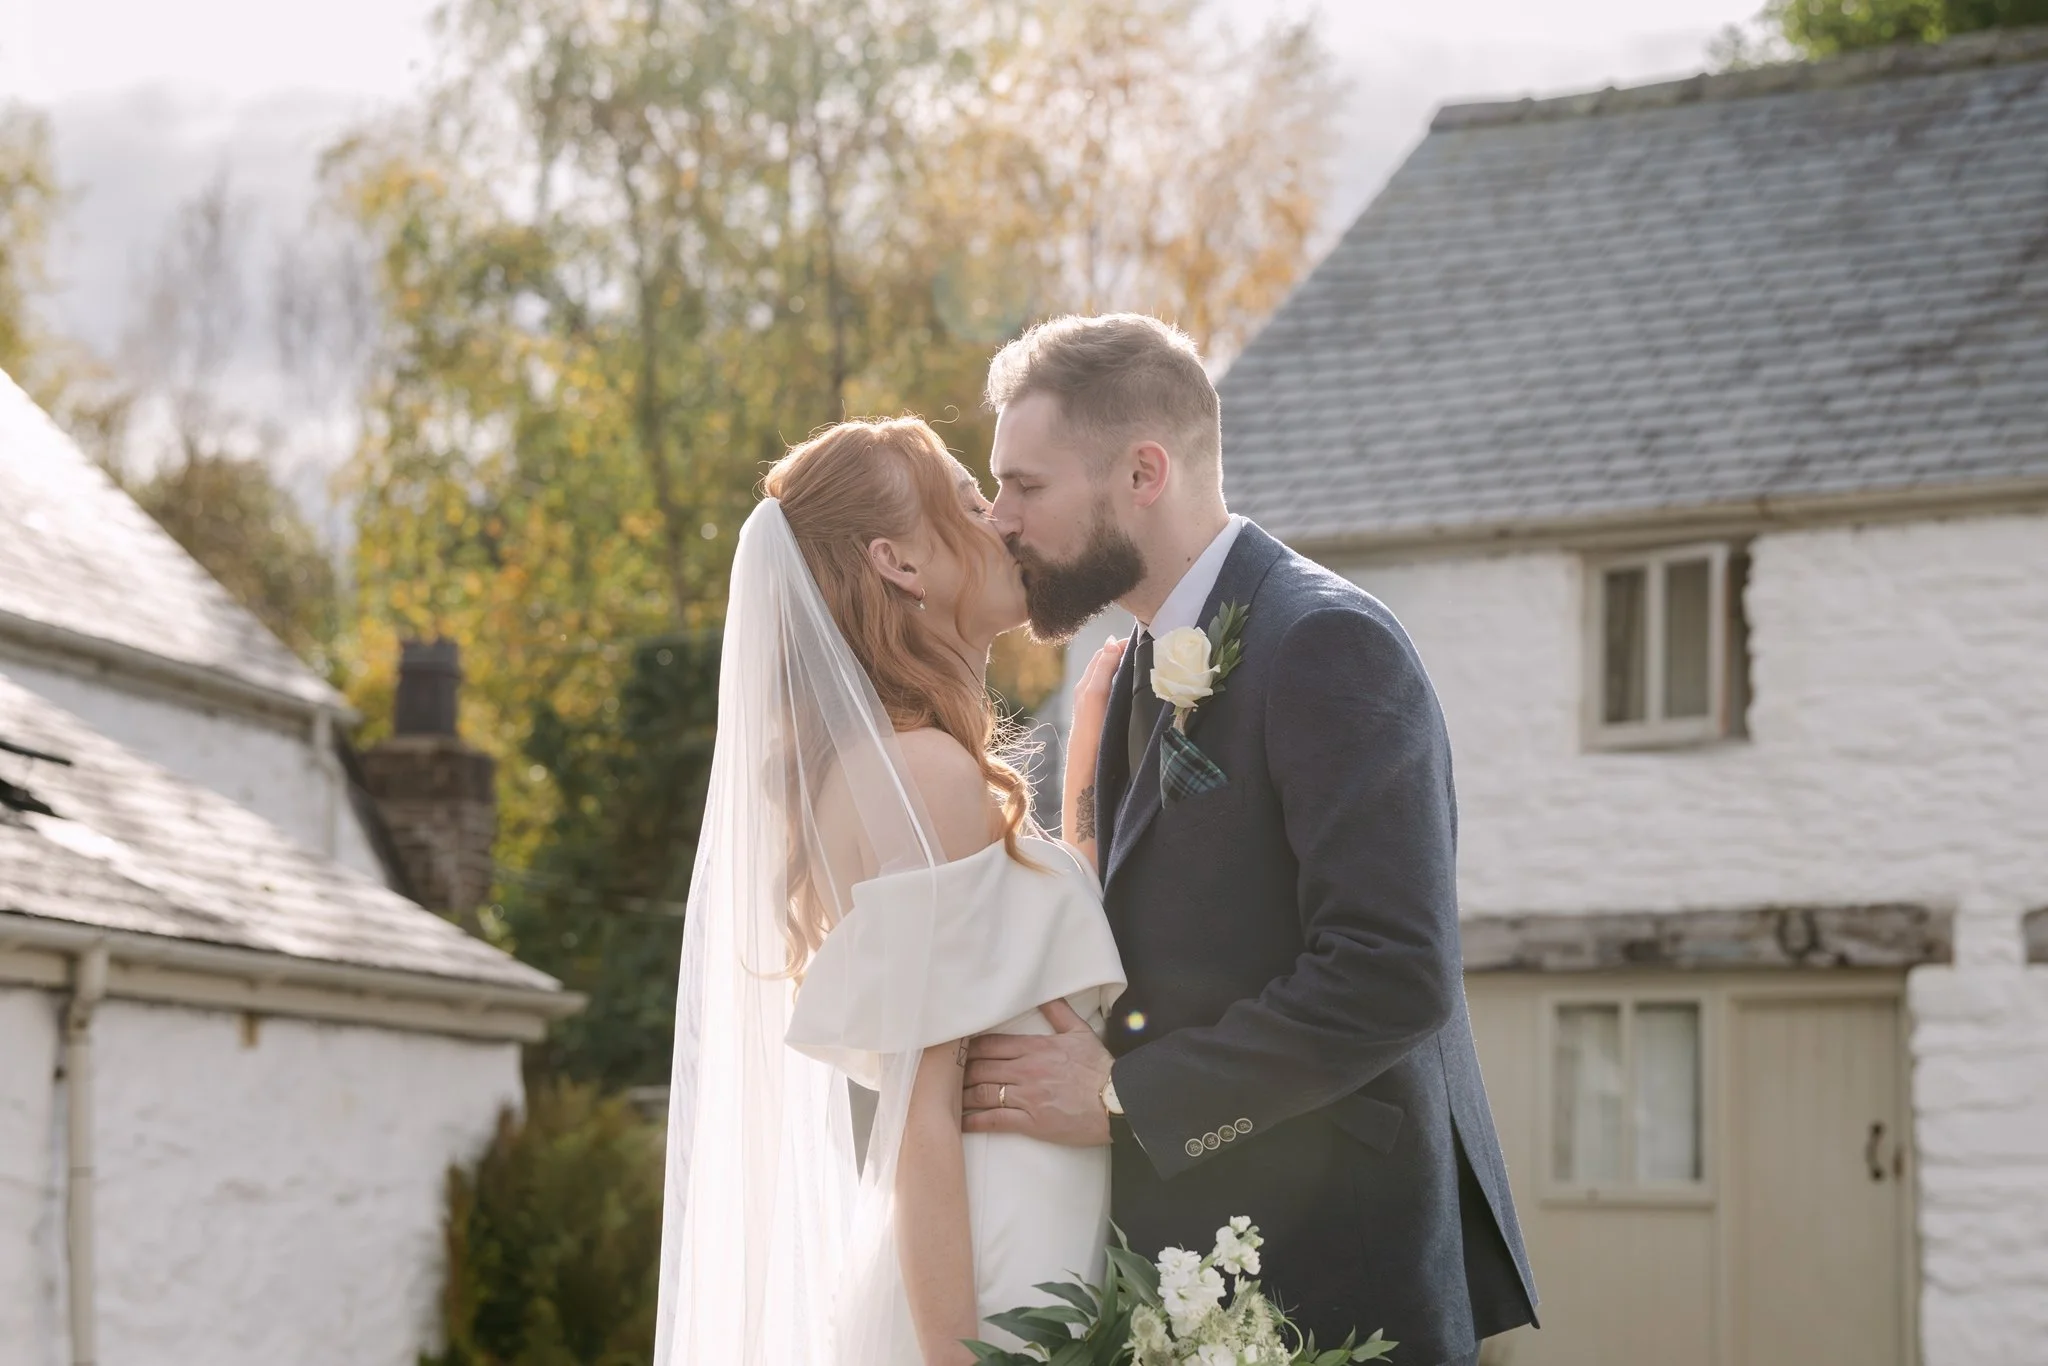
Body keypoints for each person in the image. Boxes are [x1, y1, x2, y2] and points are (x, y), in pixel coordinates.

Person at [960, 314, 1541, 1366]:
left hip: (1337, 1277)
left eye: (1023, 486)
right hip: (1195, 1271)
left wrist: (1123, 1094)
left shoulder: (1325, 642)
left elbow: (1392, 972)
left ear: (1141, 471)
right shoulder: (1132, 667)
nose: (997, 519)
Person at [651, 417, 1131, 1365]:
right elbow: (920, 1117)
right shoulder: (922, 778)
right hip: (996, 1281)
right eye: (965, 500)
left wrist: (1084, 776)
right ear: (898, 563)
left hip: (1036, 1245)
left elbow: (1031, 966)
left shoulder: (907, 769)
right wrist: (959, 1358)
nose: (999, 519)